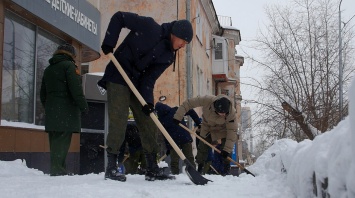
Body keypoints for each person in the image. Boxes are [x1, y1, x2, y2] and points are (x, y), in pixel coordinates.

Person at [97, 11, 193, 181]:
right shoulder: (149, 26)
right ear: (176, 34)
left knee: (149, 121)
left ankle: (152, 167)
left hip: (137, 85)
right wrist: (109, 43)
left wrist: (148, 102)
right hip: (118, 75)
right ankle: (111, 167)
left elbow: (149, 79)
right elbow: (119, 17)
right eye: (184, 41)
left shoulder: (168, 56)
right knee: (119, 119)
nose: (183, 46)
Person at [40, 43, 88, 176]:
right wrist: (83, 106)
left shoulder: (48, 69)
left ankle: (59, 169)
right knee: (62, 142)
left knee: (55, 143)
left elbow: (42, 94)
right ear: (71, 54)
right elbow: (76, 89)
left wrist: (49, 107)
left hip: (52, 111)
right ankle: (58, 171)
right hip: (66, 111)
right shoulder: (68, 66)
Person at [173, 94, 238, 175]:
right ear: (215, 108)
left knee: (226, 152)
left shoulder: (231, 113)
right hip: (207, 127)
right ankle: (200, 170)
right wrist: (178, 116)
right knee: (202, 149)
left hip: (223, 130)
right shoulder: (207, 100)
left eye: (225, 113)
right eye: (221, 113)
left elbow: (232, 132)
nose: (223, 115)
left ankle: (226, 170)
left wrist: (227, 150)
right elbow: (188, 103)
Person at [155, 102, 201, 175]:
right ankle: (194, 174)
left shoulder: (161, 120)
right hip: (185, 138)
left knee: (174, 161)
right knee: (189, 158)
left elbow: (165, 135)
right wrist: (198, 122)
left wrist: (168, 147)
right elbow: (191, 111)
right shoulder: (176, 110)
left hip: (173, 142)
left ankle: (175, 176)